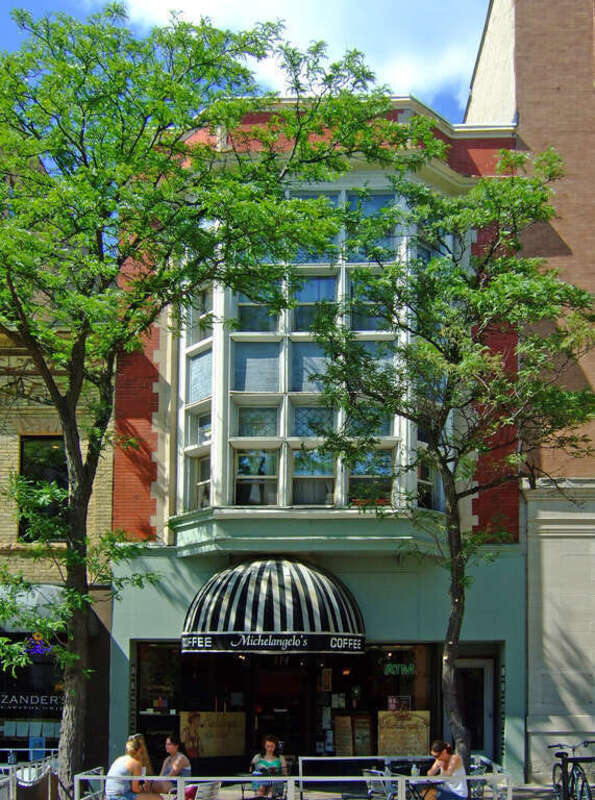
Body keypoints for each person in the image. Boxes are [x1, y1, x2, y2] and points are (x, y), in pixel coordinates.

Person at [105, 735, 162, 800]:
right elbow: (135, 789)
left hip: (109, 795)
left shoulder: (120, 759)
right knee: (158, 798)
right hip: (120, 796)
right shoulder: (136, 764)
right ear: (140, 750)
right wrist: (146, 792)